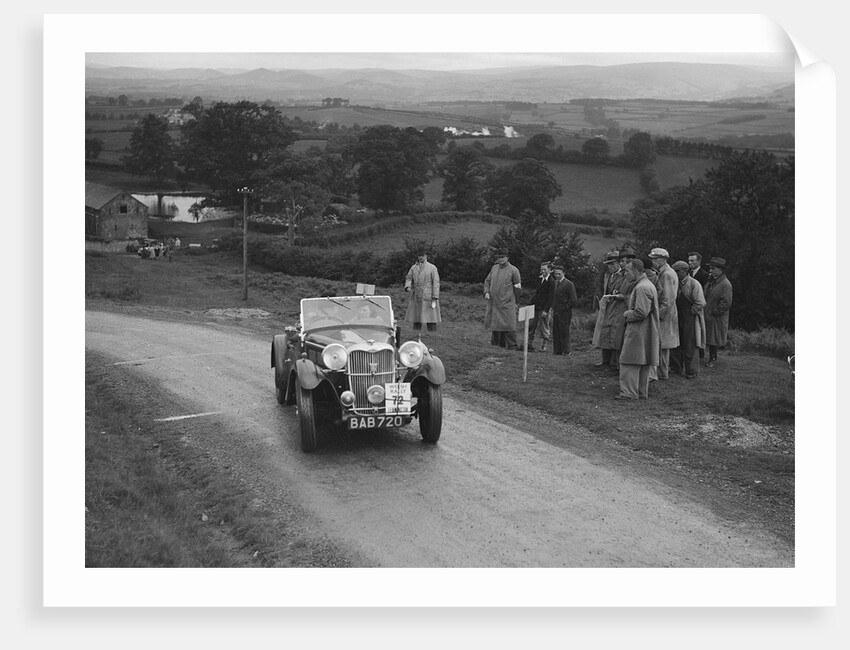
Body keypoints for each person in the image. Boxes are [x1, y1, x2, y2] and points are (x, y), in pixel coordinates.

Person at [617, 259, 660, 400]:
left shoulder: (641, 287)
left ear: (636, 271)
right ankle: (641, 392)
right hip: (645, 331)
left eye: (627, 271)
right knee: (641, 362)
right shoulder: (647, 285)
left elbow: (641, 312)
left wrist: (627, 314)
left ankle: (629, 393)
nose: (625, 274)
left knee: (629, 361)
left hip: (638, 331)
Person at [591, 251, 628, 368]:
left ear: (618, 263)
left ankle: (615, 362)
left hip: (618, 309)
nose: (610, 267)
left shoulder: (625, 276)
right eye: (608, 264)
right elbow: (604, 289)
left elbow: (626, 293)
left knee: (616, 333)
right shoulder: (608, 275)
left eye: (612, 264)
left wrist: (618, 295)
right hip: (607, 307)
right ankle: (605, 360)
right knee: (605, 331)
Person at [670, 261, 706, 379]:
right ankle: (676, 367)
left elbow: (700, 303)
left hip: (690, 318)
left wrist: (691, 313)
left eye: (678, 271)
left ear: (685, 271)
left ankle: (691, 371)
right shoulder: (674, 283)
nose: (676, 273)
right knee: (676, 343)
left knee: (690, 344)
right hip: (677, 316)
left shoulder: (694, 284)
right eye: (674, 271)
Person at [648, 247, 679, 380]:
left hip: (665, 314)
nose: (653, 261)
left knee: (662, 344)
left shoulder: (666, 274)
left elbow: (667, 298)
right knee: (662, 344)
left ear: (662, 259)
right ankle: (661, 372)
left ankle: (662, 373)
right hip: (667, 312)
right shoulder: (665, 272)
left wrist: (658, 315)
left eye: (654, 259)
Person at [483, 249, 522, 349]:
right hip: (494, 302)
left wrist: (516, 301)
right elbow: (487, 281)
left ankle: (512, 345)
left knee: (508, 324)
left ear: (507, 258)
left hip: (507, 303)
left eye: (502, 257)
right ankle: (496, 344)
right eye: (499, 257)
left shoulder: (514, 270)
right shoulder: (494, 268)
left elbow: (518, 288)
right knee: (495, 323)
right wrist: (486, 292)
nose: (500, 259)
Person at [703, 257, 733, 368]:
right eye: (710, 268)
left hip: (717, 317)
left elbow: (726, 303)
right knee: (710, 337)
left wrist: (714, 312)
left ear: (720, 269)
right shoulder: (711, 281)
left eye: (713, 268)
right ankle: (709, 357)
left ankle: (712, 359)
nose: (710, 270)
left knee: (714, 339)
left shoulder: (726, 284)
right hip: (708, 314)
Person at [404, 250, 441, 332]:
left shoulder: (432, 268)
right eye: (419, 255)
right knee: (417, 316)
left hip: (429, 294)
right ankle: (416, 332)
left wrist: (435, 296)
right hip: (417, 294)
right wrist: (408, 286)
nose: (421, 257)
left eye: (422, 255)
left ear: (426, 256)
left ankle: (432, 333)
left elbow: (436, 282)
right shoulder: (413, 267)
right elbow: (409, 278)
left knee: (431, 316)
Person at [526, 261, 554, 352]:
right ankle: (529, 344)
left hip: (544, 307)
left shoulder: (551, 281)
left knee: (544, 327)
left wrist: (546, 310)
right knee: (531, 325)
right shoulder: (539, 279)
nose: (542, 271)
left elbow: (551, 297)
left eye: (544, 269)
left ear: (549, 270)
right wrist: (531, 303)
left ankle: (544, 346)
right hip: (536, 306)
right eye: (541, 269)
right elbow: (536, 293)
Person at [550, 265, 577, 356]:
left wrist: (564, 308)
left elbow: (573, 300)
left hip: (565, 312)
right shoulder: (555, 283)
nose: (557, 276)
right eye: (555, 274)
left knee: (564, 331)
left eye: (559, 274)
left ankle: (566, 351)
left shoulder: (569, 284)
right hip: (556, 311)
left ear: (563, 274)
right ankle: (557, 350)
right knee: (556, 330)